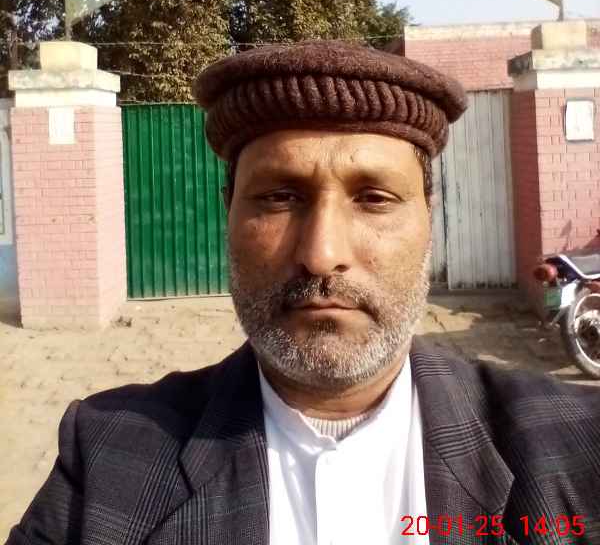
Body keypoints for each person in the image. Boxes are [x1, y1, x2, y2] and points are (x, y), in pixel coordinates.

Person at [6, 39, 600, 545]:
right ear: (229, 214)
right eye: (279, 197)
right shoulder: (109, 456)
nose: (321, 253)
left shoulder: (576, 444)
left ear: (429, 218)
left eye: (374, 198)